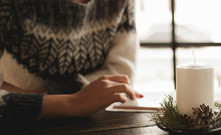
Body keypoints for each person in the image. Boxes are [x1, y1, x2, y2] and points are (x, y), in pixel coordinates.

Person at [0, 0, 143, 127]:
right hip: (17, 133)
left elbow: (120, 75)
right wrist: (74, 102)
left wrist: (63, 95)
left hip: (98, 125)